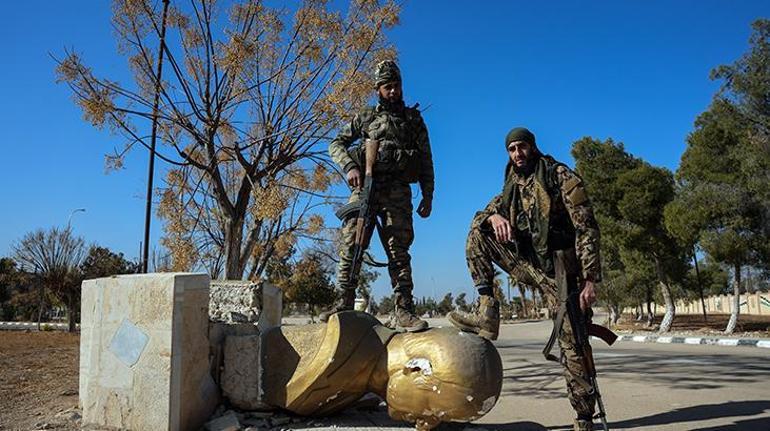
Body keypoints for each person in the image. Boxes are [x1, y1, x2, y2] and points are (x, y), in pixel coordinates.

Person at [447, 127, 601, 431]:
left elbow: (587, 229)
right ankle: (487, 312)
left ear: (533, 147)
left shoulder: (560, 177)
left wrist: (590, 279)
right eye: (512, 149)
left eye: (522, 147)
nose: (518, 154)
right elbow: (479, 215)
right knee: (477, 234)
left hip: (562, 272)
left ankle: (584, 415)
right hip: (530, 265)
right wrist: (493, 217)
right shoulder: (511, 186)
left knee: (573, 344)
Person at [321, 60, 434, 332]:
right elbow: (335, 143)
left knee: (399, 250)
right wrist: (349, 166)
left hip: (398, 191)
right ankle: (344, 301)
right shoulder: (366, 117)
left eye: (396, 86)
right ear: (378, 89)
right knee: (352, 241)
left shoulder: (413, 120)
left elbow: (427, 160)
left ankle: (404, 309)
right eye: (387, 87)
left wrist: (428, 195)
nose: (393, 91)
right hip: (366, 187)